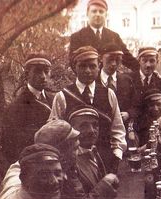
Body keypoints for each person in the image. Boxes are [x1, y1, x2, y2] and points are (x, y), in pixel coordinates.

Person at [49, 46, 126, 174]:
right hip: (75, 164)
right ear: (75, 67)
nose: (88, 71)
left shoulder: (108, 94)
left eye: (92, 66)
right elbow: (54, 133)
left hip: (105, 161)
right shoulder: (63, 96)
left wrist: (117, 156)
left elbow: (118, 129)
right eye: (83, 66)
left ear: (99, 66)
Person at [1, 53, 53, 163]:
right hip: (33, 163)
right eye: (38, 71)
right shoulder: (16, 107)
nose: (43, 76)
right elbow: (11, 147)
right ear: (26, 75)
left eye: (46, 71)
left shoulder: (55, 99)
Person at [69, 0, 139, 71]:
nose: (98, 14)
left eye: (101, 12)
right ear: (87, 13)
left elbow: (127, 58)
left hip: (109, 80)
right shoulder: (77, 36)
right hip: (88, 79)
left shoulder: (114, 36)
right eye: (94, 11)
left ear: (106, 15)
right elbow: (73, 62)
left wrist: (141, 70)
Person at [98, 43, 140, 128]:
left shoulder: (127, 80)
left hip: (123, 129)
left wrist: (128, 114)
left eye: (117, 60)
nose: (113, 64)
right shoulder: (94, 81)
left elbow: (137, 106)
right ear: (101, 58)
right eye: (110, 59)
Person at [130, 47, 161, 112]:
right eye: (144, 61)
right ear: (139, 61)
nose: (148, 65)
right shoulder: (129, 79)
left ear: (157, 62)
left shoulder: (160, 83)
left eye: (152, 61)